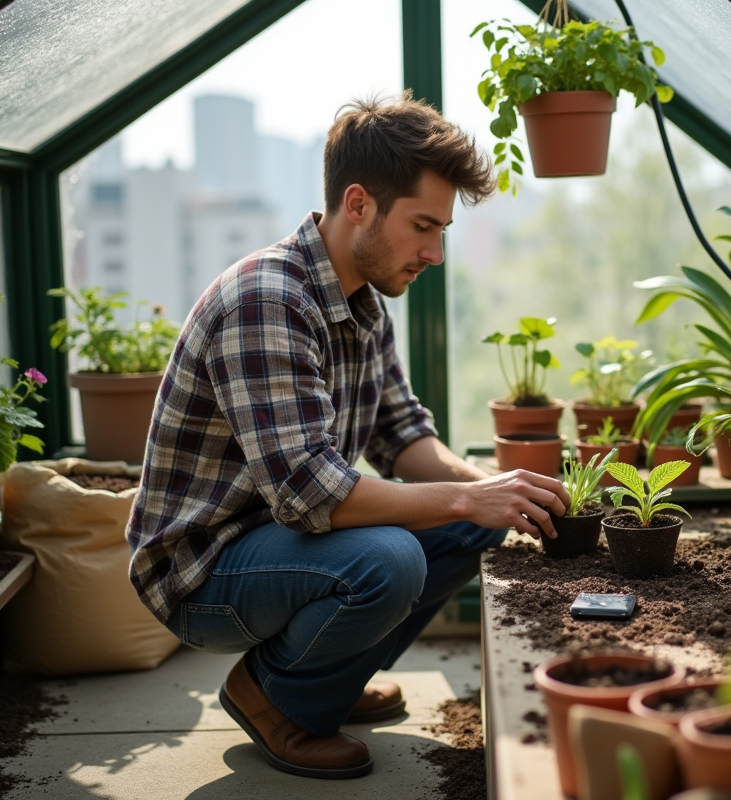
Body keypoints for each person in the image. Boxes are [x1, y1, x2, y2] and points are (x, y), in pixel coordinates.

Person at [126, 93, 570, 780]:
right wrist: (467, 498)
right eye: (423, 226)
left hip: (281, 543)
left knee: (473, 519)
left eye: (443, 231)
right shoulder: (267, 300)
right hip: (204, 568)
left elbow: (404, 436)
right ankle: (277, 696)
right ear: (358, 203)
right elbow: (311, 493)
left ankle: (327, 676)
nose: (435, 253)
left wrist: (499, 492)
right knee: (389, 560)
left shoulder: (362, 299)